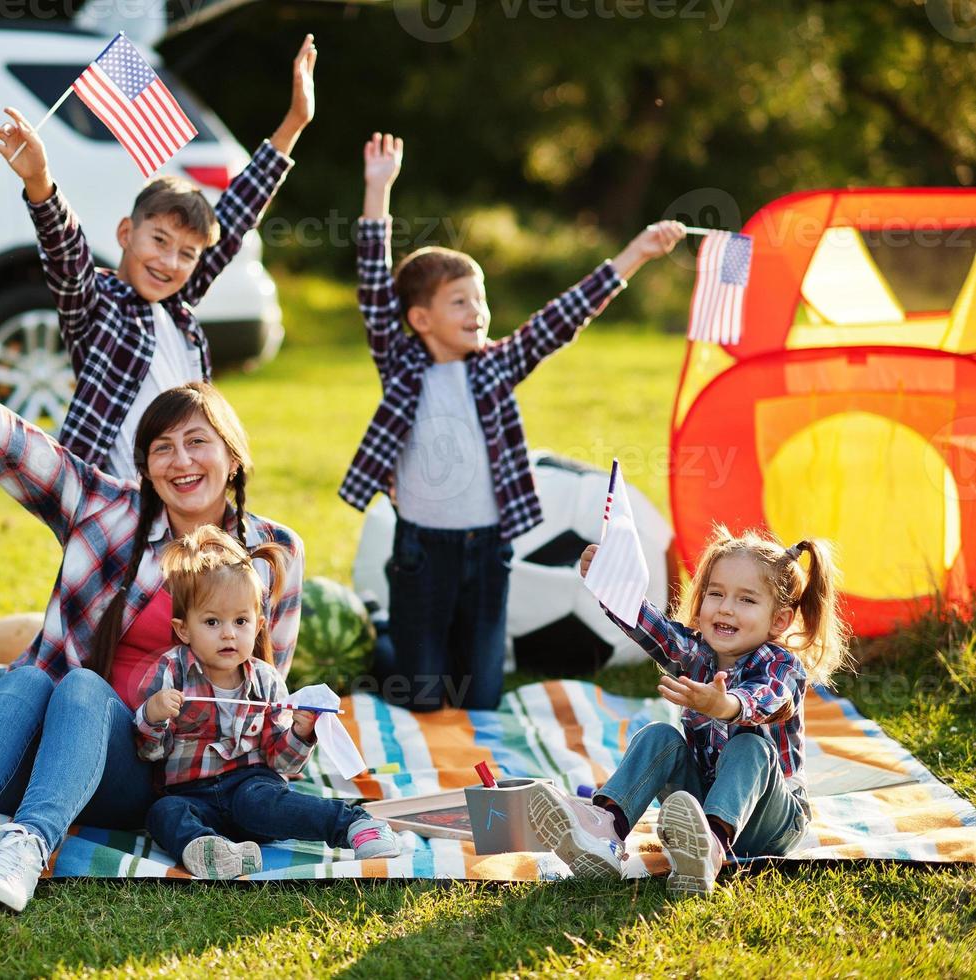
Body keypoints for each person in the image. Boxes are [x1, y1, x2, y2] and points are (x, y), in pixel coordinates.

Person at [0, 34, 318, 738]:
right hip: (107, 505)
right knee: (98, 682)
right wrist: (41, 184)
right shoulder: (103, 306)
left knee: (138, 658)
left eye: (184, 254)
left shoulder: (180, 312)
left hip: (173, 511)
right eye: (156, 243)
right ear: (126, 233)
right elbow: (66, 259)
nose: (169, 261)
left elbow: (229, 224)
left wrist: (292, 124)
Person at [0, 325, 303, 913]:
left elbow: (268, 694)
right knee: (29, 677)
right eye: (162, 447)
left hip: (159, 781)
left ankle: (27, 849)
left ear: (233, 456)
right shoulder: (106, 512)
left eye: (197, 442)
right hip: (43, 760)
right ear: (146, 466)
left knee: (80, 684)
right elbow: (11, 444)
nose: (181, 460)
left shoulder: (273, 551)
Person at [342, 132, 686, 712]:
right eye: (459, 302)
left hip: (490, 547)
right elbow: (375, 289)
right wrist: (379, 188)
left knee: (481, 697)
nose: (477, 311)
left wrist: (637, 254)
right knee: (420, 694)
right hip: (421, 550)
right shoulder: (401, 363)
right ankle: (384, 638)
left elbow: (561, 318)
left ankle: (444, 658)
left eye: (480, 300)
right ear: (420, 318)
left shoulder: (496, 365)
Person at [529, 527, 850, 897]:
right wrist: (609, 583)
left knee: (751, 747)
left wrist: (724, 705)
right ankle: (606, 832)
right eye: (716, 593)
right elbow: (655, 631)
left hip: (771, 822)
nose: (726, 607)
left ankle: (709, 850)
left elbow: (765, 699)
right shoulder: (696, 654)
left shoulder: (782, 664)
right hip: (700, 807)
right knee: (658, 736)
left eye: (746, 600)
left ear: (779, 620)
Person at [137, 527, 400, 879]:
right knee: (163, 812)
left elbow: (282, 761)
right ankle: (213, 850)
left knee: (260, 801)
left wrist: (302, 735)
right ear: (184, 630)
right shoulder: (171, 671)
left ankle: (354, 825)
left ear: (259, 625)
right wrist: (153, 717)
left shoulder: (265, 679)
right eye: (212, 622)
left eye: (240, 621)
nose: (229, 633)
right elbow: (151, 753)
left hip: (252, 789)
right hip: (192, 795)